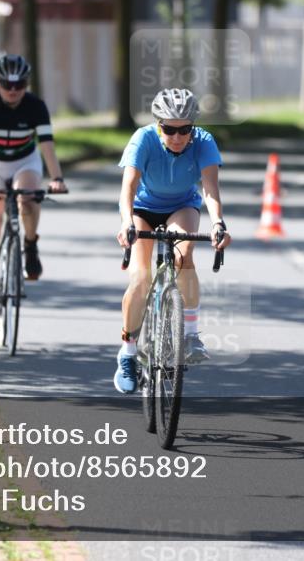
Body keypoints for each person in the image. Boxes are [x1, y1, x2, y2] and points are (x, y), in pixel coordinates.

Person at [113, 88, 231, 393]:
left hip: (182, 206)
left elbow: (209, 189)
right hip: (143, 209)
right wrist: (127, 221)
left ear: (192, 126)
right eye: (169, 129)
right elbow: (129, 186)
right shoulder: (143, 139)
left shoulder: (203, 141)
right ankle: (127, 353)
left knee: (184, 256)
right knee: (140, 278)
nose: (177, 136)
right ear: (157, 124)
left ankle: (190, 333)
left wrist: (218, 222)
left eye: (184, 129)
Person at [0, 54, 68, 332]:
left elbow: (46, 145)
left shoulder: (36, 106)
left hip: (25, 161)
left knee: (29, 197)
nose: (12, 90)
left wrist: (57, 177)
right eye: (6, 85)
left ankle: (30, 244)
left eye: (19, 84)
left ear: (26, 84)